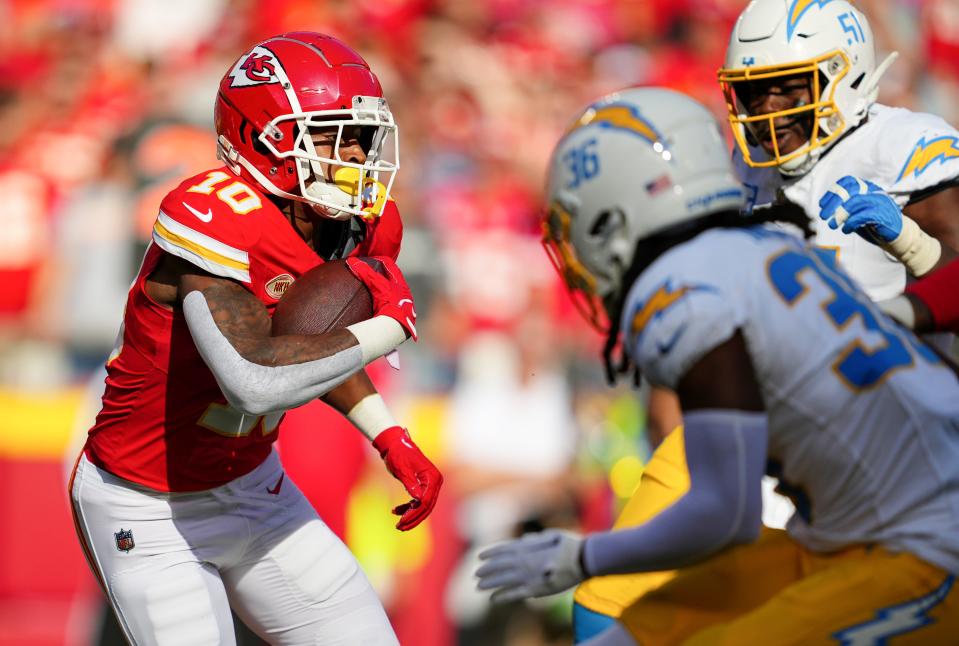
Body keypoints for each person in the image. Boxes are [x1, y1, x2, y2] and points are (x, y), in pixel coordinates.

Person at [474, 86, 959, 645]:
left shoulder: (680, 296)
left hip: (925, 546)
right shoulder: (765, 248)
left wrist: (583, 555)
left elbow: (725, 515)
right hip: (851, 531)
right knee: (618, 617)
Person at [574, 0, 959, 635]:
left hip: (878, 450)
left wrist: (910, 250)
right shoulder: (743, 167)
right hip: (754, 429)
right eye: (753, 95)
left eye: (786, 90)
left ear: (846, 76)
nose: (768, 114)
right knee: (608, 601)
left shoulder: (901, 147)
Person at [69, 32, 442, 645]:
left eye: (359, 137)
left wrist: (389, 435)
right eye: (327, 135)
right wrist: (389, 324)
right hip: (148, 503)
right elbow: (254, 381)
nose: (351, 155)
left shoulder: (357, 224)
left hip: (254, 487)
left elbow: (307, 344)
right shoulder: (212, 215)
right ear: (259, 139)